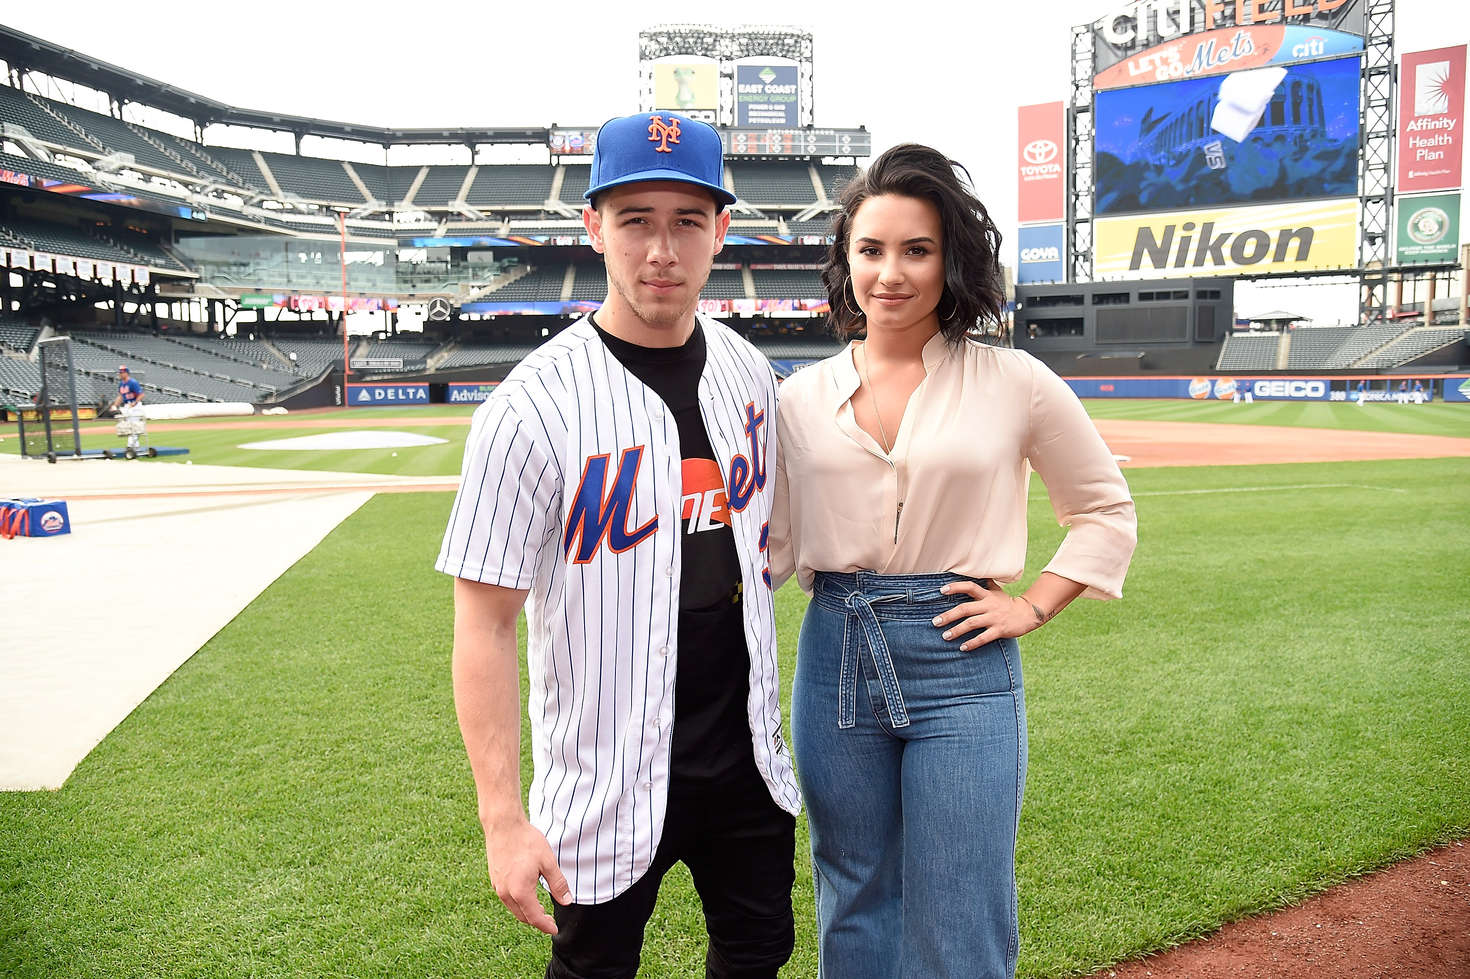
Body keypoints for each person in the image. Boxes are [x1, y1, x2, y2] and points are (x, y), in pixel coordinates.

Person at [436, 111, 800, 979]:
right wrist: (501, 818)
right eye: (636, 219)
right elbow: (483, 624)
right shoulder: (530, 408)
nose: (661, 250)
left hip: (746, 755)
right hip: (605, 773)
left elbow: (766, 546)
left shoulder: (751, 371)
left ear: (721, 230)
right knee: (593, 969)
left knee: (757, 952)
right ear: (594, 227)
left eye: (686, 221)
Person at [769, 144, 1137, 979]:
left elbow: (1105, 510)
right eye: (870, 250)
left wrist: (1033, 604)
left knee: (962, 903)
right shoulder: (795, 398)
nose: (890, 273)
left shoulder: (1016, 382)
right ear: (846, 262)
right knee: (852, 892)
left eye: (916, 249)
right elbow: (774, 547)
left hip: (963, 659)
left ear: (950, 259)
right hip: (836, 655)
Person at [108, 365, 145, 454]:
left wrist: (135, 402)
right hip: (127, 406)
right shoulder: (121, 384)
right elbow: (121, 396)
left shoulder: (133, 382)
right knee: (129, 425)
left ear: (126, 373)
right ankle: (135, 446)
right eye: (120, 373)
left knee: (134, 425)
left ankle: (130, 446)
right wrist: (115, 405)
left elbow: (141, 394)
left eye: (122, 373)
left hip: (135, 406)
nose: (120, 374)